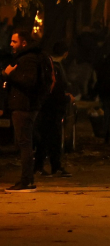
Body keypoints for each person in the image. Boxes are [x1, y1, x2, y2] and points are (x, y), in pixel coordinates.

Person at [2, 28, 46, 191]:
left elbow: (28, 81)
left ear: (24, 43)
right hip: (24, 106)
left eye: (14, 41)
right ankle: (28, 179)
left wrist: (9, 74)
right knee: (25, 142)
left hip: (24, 106)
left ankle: (26, 181)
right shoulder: (26, 57)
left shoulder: (28, 59)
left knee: (24, 143)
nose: (11, 44)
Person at [35, 41, 73, 177]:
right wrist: (67, 98)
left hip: (48, 106)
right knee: (50, 138)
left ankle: (49, 166)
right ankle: (45, 166)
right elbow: (56, 90)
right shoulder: (55, 67)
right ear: (65, 53)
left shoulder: (49, 64)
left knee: (49, 138)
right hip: (52, 107)